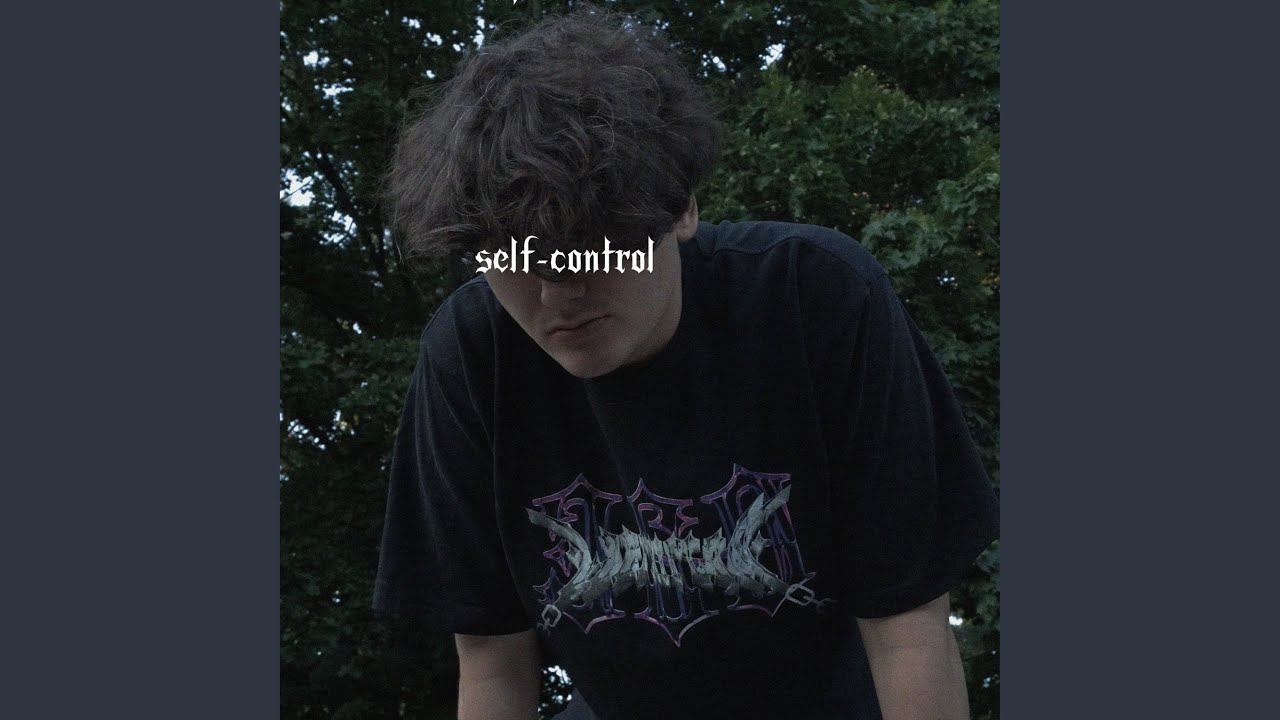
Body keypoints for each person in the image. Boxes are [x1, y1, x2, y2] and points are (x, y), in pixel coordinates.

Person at [373, 7, 998, 720]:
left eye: (588, 243)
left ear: (681, 209)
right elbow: (491, 661)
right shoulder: (470, 356)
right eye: (516, 257)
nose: (557, 292)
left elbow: (909, 630)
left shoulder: (816, 298)